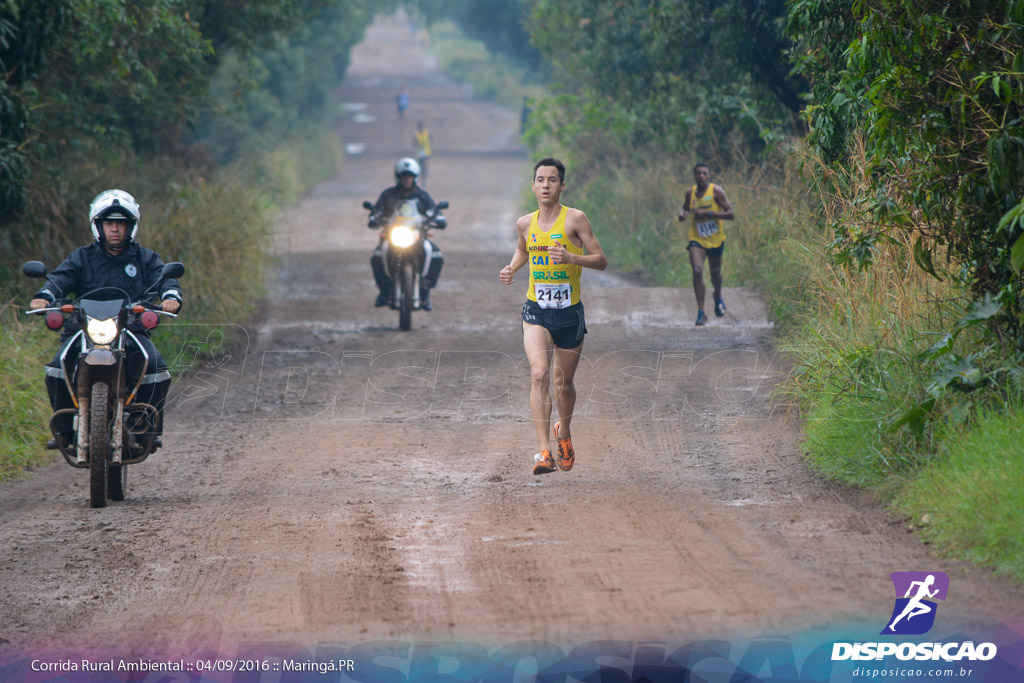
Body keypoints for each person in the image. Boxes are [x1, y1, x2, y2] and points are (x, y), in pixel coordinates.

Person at [29, 189, 182, 449]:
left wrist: (171, 297)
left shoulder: (144, 258)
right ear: (98, 226)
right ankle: (64, 430)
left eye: (120, 224)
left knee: (156, 366)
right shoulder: (82, 257)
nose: (115, 229)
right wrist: (44, 296)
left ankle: (146, 427)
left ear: (130, 227)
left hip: (131, 328)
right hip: (85, 329)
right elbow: (58, 280)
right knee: (57, 366)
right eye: (109, 223)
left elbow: (166, 279)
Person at [499, 158, 607, 475]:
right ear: (533, 186)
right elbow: (523, 249)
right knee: (539, 374)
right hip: (536, 311)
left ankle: (564, 433)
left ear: (562, 185)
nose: (546, 185)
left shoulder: (575, 220)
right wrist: (511, 268)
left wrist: (572, 256)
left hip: (569, 313)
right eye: (541, 180)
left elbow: (601, 260)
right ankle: (544, 452)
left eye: (553, 180)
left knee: (563, 384)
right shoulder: (525, 223)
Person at [369, 158, 445, 311]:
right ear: (398, 177)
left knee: (436, 254)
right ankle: (383, 291)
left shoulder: (422, 196)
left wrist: (438, 218)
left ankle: (425, 290)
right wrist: (374, 217)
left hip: (416, 236)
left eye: (409, 176)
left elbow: (433, 210)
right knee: (377, 255)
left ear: (415, 177)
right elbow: (378, 210)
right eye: (404, 176)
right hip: (394, 236)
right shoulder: (388, 195)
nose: (407, 180)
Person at [677, 163, 735, 326]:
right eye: (698, 173)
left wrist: (708, 213)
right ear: (694, 176)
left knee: (715, 274)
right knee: (696, 270)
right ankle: (701, 312)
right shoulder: (691, 193)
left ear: (708, 175)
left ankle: (717, 295)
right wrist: (682, 215)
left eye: (704, 173)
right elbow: (685, 209)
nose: (701, 176)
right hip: (697, 239)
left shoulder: (716, 191)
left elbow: (731, 214)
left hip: (716, 239)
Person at [413, 121, 431, 186]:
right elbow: (414, 143)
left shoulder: (426, 132)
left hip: (426, 152)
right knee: (420, 169)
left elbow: (430, 139)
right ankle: (422, 181)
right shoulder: (416, 134)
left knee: (425, 165)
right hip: (420, 153)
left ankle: (425, 177)